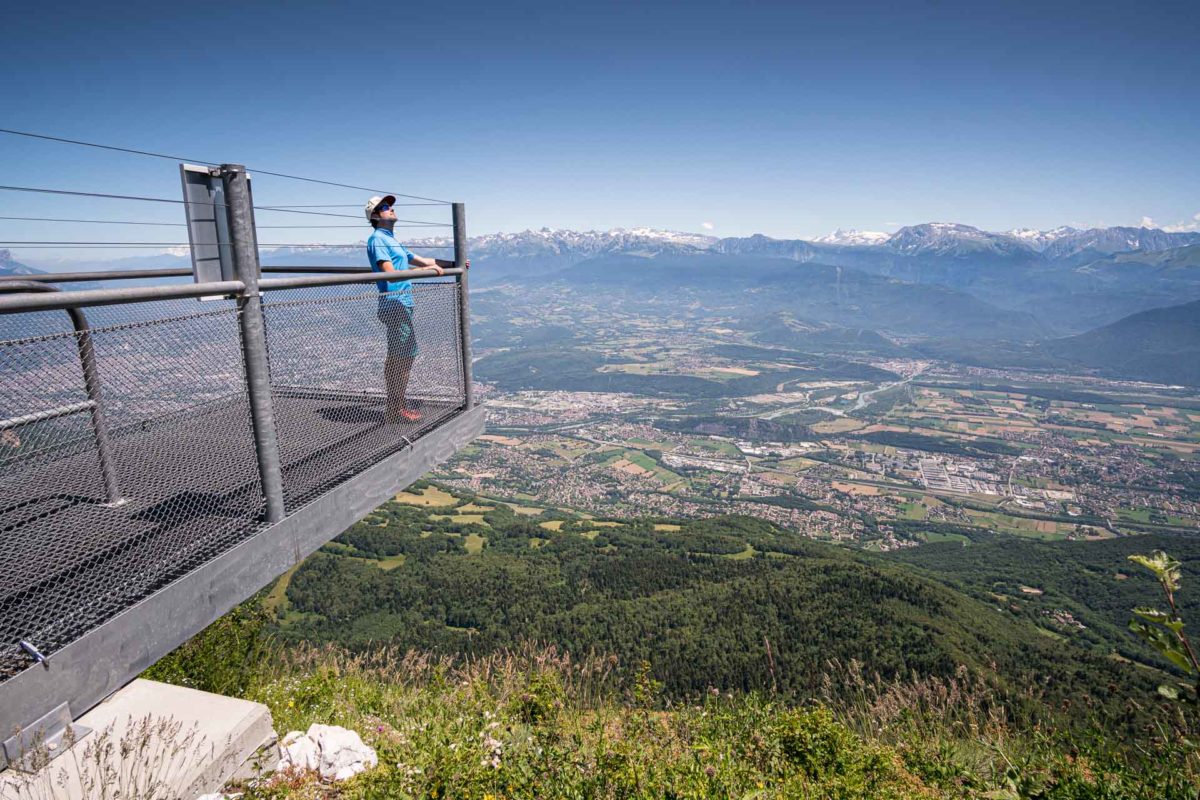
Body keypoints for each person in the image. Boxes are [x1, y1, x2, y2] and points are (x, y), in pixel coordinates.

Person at [365, 195, 467, 423]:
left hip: (401, 304)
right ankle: (395, 410)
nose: (390, 209)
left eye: (390, 206)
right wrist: (430, 273)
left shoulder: (393, 241)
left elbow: (421, 260)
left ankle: (395, 407)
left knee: (400, 358)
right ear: (374, 216)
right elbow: (390, 273)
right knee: (402, 358)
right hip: (395, 304)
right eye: (384, 207)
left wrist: (454, 264)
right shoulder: (378, 239)